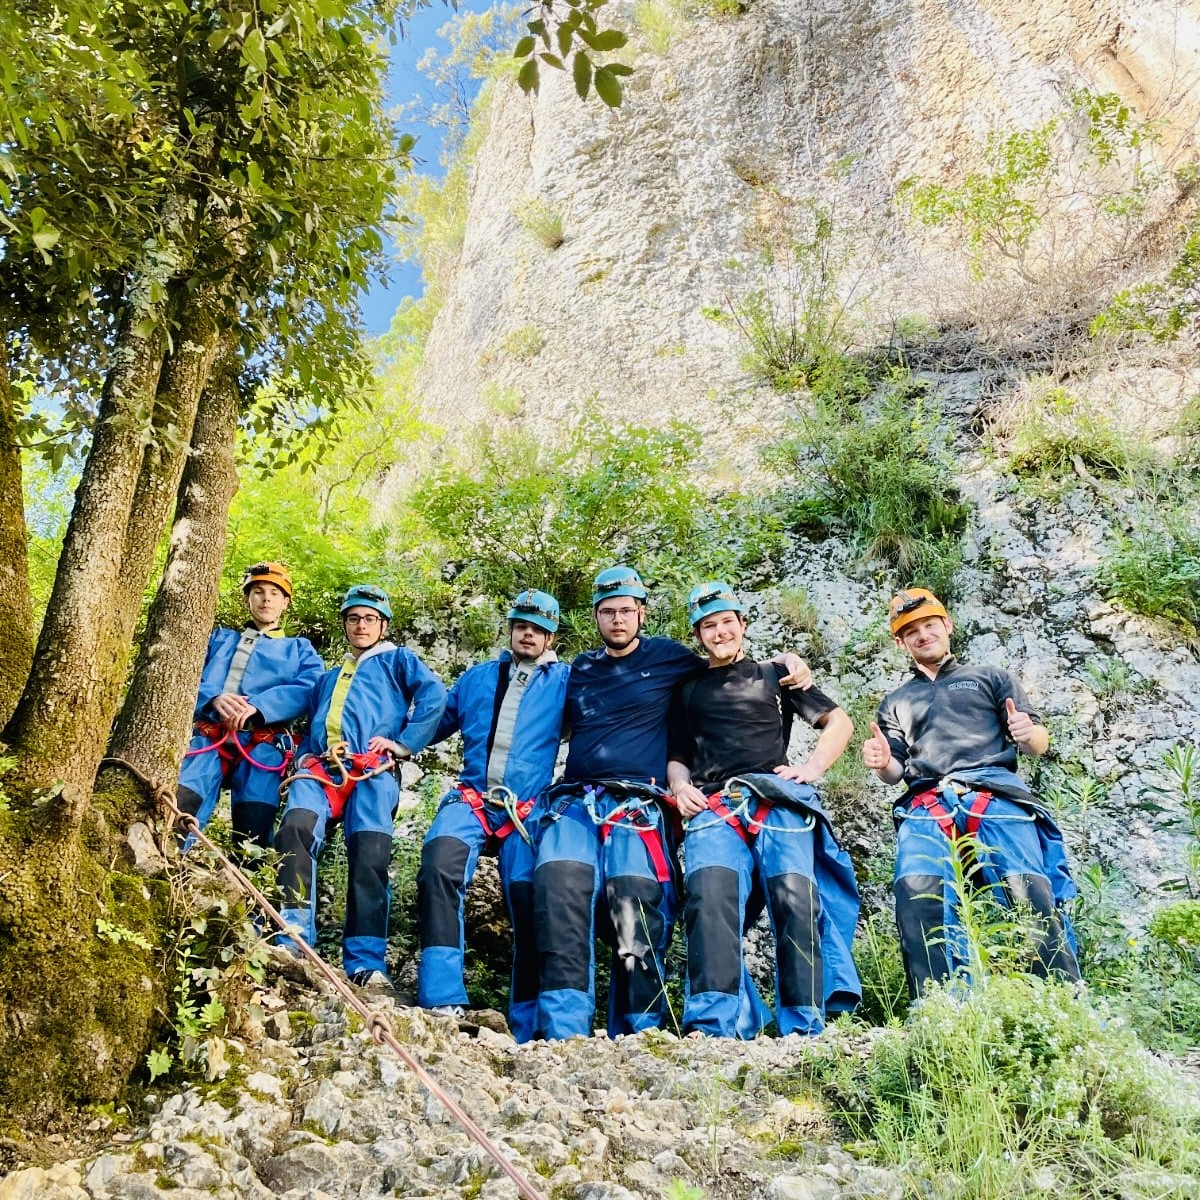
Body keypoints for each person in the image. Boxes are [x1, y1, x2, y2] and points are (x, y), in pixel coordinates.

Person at [532, 565, 811, 1040]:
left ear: (641, 613)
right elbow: (543, 721)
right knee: (558, 891)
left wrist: (786, 661)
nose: (617, 619)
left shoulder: (670, 659)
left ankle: (642, 1030)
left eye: (626, 610)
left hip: (637, 802)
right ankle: (562, 1033)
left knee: (636, 901)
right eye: (607, 612)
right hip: (577, 799)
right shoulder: (578, 669)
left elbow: (727, 663)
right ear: (595, 617)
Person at [862, 587, 1080, 997]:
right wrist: (881, 761)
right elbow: (894, 773)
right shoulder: (896, 702)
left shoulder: (990, 678)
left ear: (947, 625)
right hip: (927, 802)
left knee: (1028, 891)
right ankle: (940, 1007)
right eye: (911, 631)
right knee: (917, 894)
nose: (923, 635)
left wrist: (1027, 732)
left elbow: (1037, 743)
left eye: (930, 625)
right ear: (901, 643)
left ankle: (1060, 999)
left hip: (995, 793)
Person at [666, 582, 861, 1038]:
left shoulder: (777, 674)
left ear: (742, 624)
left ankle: (804, 1025)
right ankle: (714, 1026)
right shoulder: (686, 688)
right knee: (709, 900)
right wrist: (679, 785)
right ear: (698, 635)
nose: (720, 632)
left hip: (776, 801)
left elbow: (838, 722)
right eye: (709, 626)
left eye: (727, 622)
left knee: (795, 900)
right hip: (715, 804)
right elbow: (676, 754)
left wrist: (811, 768)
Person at [274, 584, 446, 991]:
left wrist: (403, 743)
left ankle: (365, 961)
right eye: (353, 618)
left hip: (373, 771)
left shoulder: (399, 661)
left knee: (370, 855)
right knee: (295, 829)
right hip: (322, 769)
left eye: (370, 619)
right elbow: (310, 726)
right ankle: (293, 940)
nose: (361, 625)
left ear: (383, 625)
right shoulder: (328, 678)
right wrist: (303, 757)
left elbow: (434, 695)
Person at [416, 589, 569, 1039]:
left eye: (538, 629)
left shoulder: (566, 682)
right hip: (473, 799)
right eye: (522, 626)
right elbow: (433, 723)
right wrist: (393, 740)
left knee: (529, 896)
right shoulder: (477, 678)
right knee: (438, 864)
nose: (528, 635)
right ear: (510, 630)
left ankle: (529, 1021)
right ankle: (441, 997)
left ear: (551, 636)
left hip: (527, 809)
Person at [176, 561, 324, 851]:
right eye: (258, 592)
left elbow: (310, 687)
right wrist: (213, 697)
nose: (266, 599)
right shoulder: (218, 639)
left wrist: (258, 708)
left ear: (285, 602)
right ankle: (168, 865)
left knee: (254, 826)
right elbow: (186, 674)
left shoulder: (299, 649)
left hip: (263, 744)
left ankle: (244, 877)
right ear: (247, 599)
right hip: (208, 737)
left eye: (274, 593)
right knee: (183, 804)